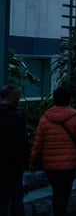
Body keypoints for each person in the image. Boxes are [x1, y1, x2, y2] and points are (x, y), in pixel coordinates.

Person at [29, 86, 76, 216]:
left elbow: (37, 144)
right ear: (69, 100)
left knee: (56, 193)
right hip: (69, 164)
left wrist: (33, 164)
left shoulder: (44, 119)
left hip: (50, 165)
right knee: (64, 195)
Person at [0, 84, 28, 216]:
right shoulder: (17, 118)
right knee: (16, 199)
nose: (20, 99)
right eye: (18, 96)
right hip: (13, 166)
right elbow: (22, 144)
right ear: (12, 97)